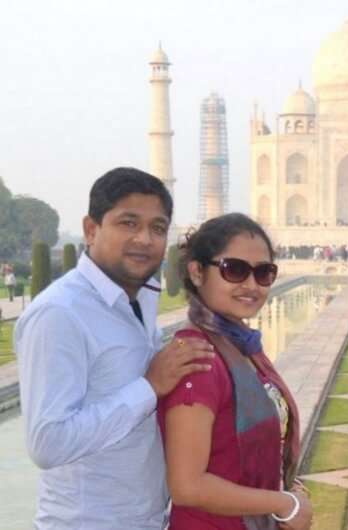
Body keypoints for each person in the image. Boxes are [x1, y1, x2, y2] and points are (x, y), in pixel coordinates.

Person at [15, 167, 215, 529]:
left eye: (157, 228)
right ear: (91, 230)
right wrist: (149, 387)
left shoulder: (138, 298)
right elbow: (48, 443)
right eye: (128, 223)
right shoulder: (60, 313)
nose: (145, 239)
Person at [159, 213, 312, 530]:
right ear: (197, 272)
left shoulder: (240, 346)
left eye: (264, 273)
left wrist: (283, 489)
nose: (252, 285)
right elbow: (186, 485)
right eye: (235, 270)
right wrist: (283, 502)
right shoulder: (197, 358)